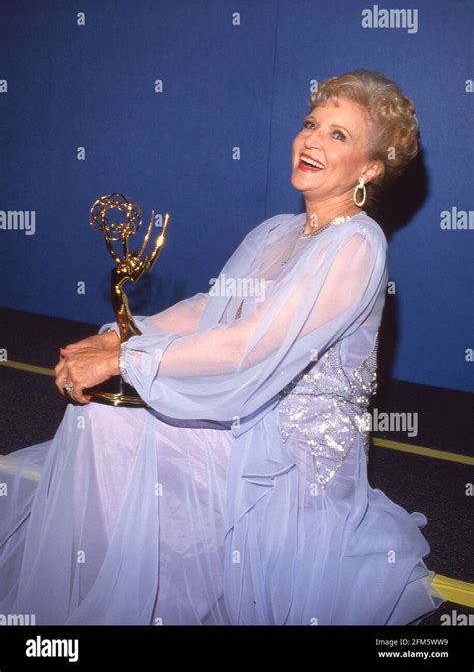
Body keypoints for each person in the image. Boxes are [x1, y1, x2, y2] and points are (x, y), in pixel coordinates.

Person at [0, 69, 445, 625]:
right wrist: (119, 331)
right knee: (102, 422)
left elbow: (249, 346)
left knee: (114, 421)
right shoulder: (278, 230)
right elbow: (212, 309)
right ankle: (119, 598)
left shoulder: (357, 242)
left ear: (371, 168)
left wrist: (121, 360)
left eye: (338, 135)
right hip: (244, 421)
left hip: (290, 461)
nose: (311, 140)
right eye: (311, 124)